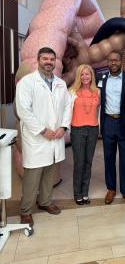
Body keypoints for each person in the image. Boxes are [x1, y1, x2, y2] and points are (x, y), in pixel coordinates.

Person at [16, 47, 71, 227]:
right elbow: (24, 111)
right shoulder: (27, 82)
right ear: (38, 60)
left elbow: (67, 107)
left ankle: (45, 202)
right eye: (45, 59)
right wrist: (42, 130)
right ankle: (25, 210)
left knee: (49, 172)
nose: (48, 62)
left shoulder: (60, 84)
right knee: (32, 176)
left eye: (51, 59)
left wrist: (63, 127)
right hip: (37, 138)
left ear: (55, 61)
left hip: (55, 137)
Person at [100, 51, 125, 206]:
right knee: (108, 158)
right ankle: (111, 189)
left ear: (121, 61)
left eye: (116, 60)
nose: (113, 63)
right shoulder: (102, 79)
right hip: (108, 122)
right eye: (110, 60)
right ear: (108, 62)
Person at [69, 64, 100, 205]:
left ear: (92, 76)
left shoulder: (97, 92)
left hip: (93, 129)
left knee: (88, 162)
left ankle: (85, 192)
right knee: (79, 162)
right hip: (78, 130)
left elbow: (98, 112)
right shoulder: (72, 92)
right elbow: (67, 112)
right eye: (82, 74)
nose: (85, 77)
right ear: (78, 76)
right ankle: (78, 193)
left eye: (87, 74)